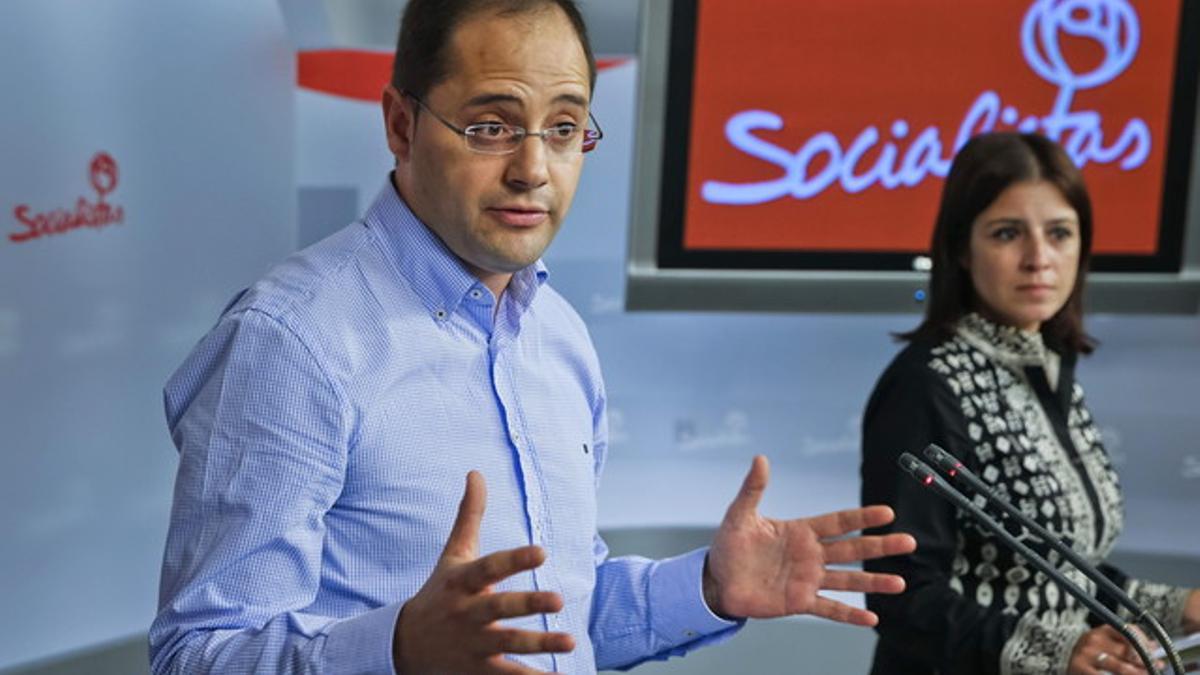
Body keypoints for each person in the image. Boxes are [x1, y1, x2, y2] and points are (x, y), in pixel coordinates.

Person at [149, 1, 917, 673]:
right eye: (492, 126)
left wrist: (710, 587)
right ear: (400, 123)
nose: (534, 169)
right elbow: (199, 654)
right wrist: (398, 650)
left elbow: (558, 619)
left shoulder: (558, 336)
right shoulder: (292, 341)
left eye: (564, 128)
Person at [860, 131, 1200, 675]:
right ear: (961, 251)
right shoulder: (926, 384)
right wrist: (1060, 652)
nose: (1038, 258)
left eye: (1060, 234)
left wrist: (1178, 608)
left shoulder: (1047, 368)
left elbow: (1058, 570)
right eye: (1007, 233)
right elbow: (902, 596)